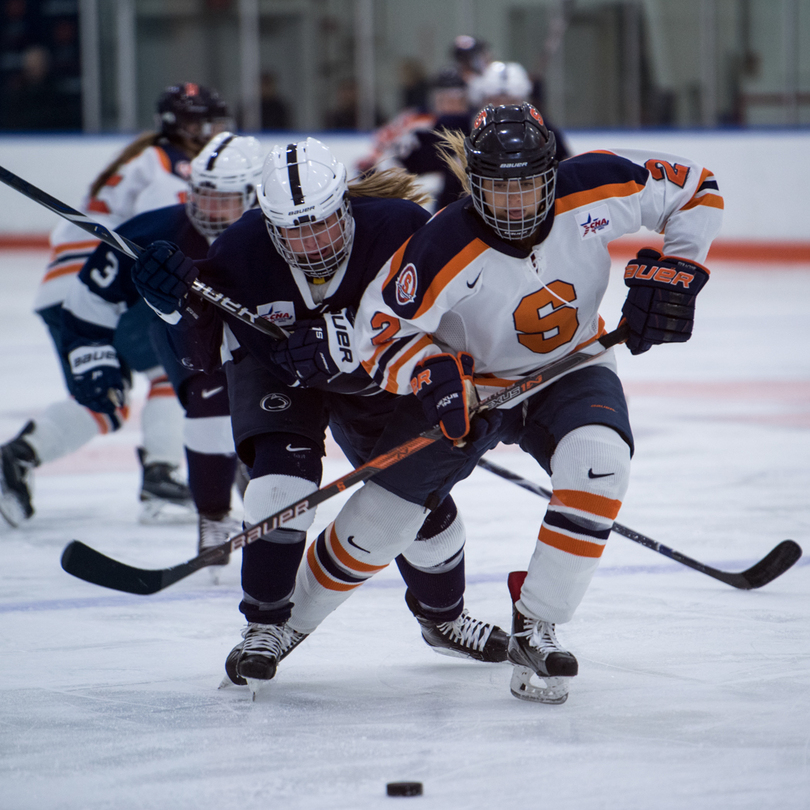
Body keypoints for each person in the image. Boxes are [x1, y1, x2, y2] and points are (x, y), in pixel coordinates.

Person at [262, 103, 723, 704]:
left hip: (573, 368)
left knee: (600, 461)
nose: (514, 203)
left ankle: (537, 624)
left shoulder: (597, 185)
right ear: (472, 184)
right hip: (473, 388)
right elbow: (380, 333)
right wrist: (431, 373)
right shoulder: (439, 247)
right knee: (381, 525)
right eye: (497, 189)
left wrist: (679, 268)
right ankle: (284, 627)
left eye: (528, 185)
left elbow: (696, 187)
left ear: (551, 174)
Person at [130, 138, 510, 691]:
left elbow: (451, 321)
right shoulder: (241, 248)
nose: (308, 243)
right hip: (277, 373)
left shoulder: (400, 227)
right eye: (290, 230)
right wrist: (171, 304)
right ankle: (263, 626)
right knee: (279, 486)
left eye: (321, 225)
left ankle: (443, 619)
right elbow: (199, 357)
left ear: (343, 207)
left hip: (377, 378)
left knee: (420, 510)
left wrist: (355, 342)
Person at [0, 83, 233, 527]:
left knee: (103, 400)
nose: (214, 130)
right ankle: (161, 476)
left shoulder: (150, 158)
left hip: (69, 289)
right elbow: (170, 235)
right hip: (100, 290)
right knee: (175, 362)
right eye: (207, 121)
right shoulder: (171, 164)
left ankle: (17, 457)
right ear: (181, 124)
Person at [58, 132, 264, 570]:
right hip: (186, 336)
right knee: (209, 405)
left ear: (253, 194)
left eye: (225, 200)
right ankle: (213, 517)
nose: (211, 211)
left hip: (260, 338)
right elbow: (91, 295)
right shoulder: (156, 229)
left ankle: (257, 474)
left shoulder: (278, 231)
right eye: (204, 197)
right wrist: (92, 353)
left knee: (276, 419)